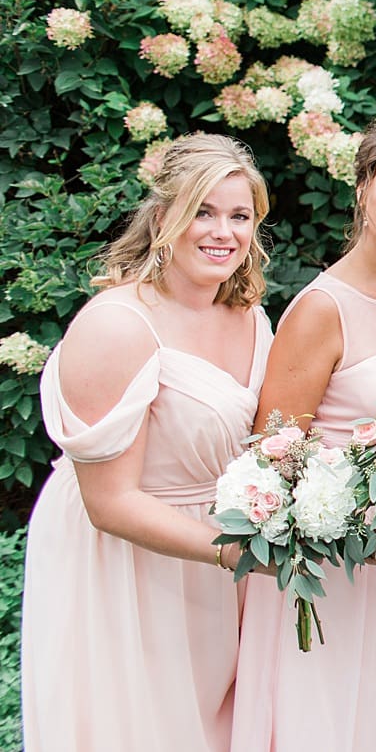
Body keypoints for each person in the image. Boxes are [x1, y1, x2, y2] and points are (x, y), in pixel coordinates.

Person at [22, 134, 273, 752]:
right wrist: (240, 553)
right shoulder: (117, 325)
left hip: (217, 560)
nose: (223, 232)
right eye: (203, 212)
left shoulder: (251, 317)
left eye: (239, 215)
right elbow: (110, 503)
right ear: (164, 218)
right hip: (128, 568)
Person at [231, 112, 376, 752]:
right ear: (362, 188)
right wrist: (359, 514)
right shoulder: (320, 308)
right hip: (330, 567)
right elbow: (273, 454)